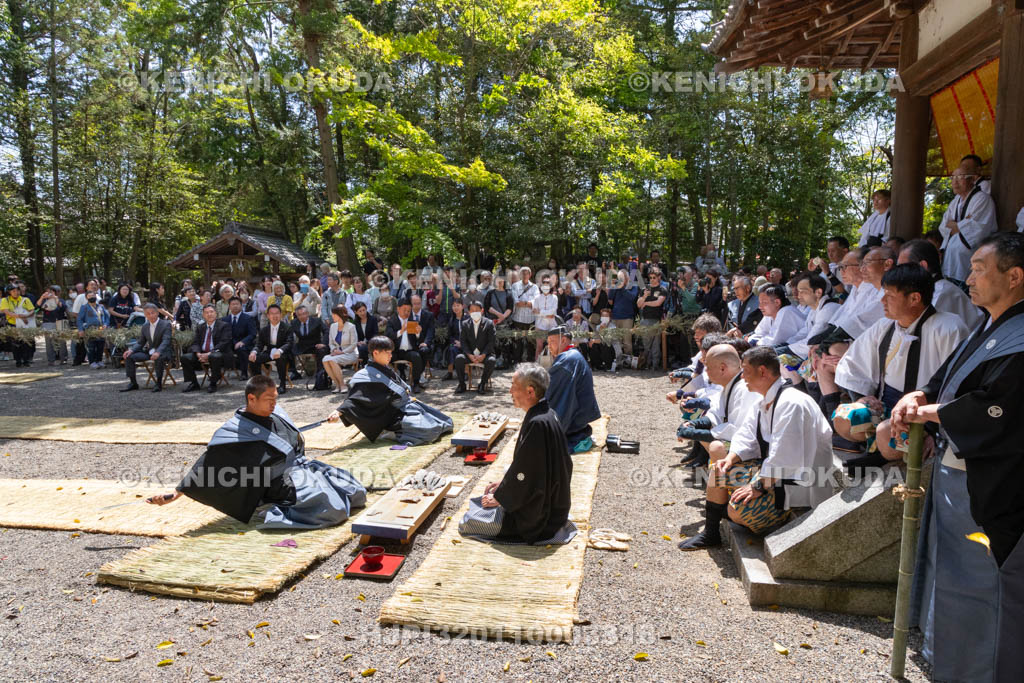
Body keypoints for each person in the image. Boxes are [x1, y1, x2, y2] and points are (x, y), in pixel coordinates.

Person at [894, 233, 1024, 682]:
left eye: (979, 268)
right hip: (954, 471)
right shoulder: (988, 323)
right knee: (950, 576)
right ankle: (947, 656)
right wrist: (919, 393)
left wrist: (928, 411)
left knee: (982, 584)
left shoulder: (1021, 335)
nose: (967, 278)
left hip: (993, 483)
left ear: (1015, 276)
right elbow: (948, 377)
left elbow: (996, 408)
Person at [149, 375, 367, 528]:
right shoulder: (234, 432)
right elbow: (208, 464)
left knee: (355, 491)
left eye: (275, 399)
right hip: (278, 484)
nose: (274, 404)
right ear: (251, 399)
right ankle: (274, 511)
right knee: (332, 510)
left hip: (303, 469)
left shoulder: (276, 413)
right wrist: (177, 493)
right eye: (269, 400)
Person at [679, 347, 839, 550]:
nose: (742, 376)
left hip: (800, 483)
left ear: (762, 371)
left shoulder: (792, 403)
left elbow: (785, 458)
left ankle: (781, 526)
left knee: (738, 511)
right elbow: (746, 436)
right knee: (719, 470)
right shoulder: (766, 399)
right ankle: (711, 533)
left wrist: (756, 486)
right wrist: (731, 459)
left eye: (745, 370)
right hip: (779, 474)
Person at [824, 265, 969, 467]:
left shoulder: (948, 327)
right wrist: (864, 397)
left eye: (889, 296)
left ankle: (884, 453)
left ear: (914, 298)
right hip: (887, 402)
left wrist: (931, 429)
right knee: (845, 416)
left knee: (886, 433)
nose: (882, 301)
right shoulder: (884, 326)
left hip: (922, 413)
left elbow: (958, 385)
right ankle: (879, 450)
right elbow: (854, 363)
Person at [458, 363, 576, 545]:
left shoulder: (538, 423)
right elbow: (529, 468)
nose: (510, 391)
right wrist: (504, 485)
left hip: (540, 520)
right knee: (480, 504)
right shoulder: (547, 413)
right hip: (553, 506)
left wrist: (500, 498)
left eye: (514, 386)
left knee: (468, 523)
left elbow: (526, 476)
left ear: (530, 392)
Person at [329, 336, 454, 445]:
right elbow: (355, 400)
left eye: (391, 352)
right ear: (376, 353)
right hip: (389, 417)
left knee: (445, 422)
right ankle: (389, 433)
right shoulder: (364, 376)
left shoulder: (385, 368)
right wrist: (339, 412)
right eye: (387, 352)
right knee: (430, 432)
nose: (390, 356)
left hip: (405, 408)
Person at [897, 238, 984, 329]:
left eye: (903, 268)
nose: (898, 273)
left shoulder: (942, 293)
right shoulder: (930, 289)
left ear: (922, 266)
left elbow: (923, 330)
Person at [939, 159, 997, 290]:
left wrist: (956, 226)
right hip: (951, 257)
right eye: (953, 177)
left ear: (972, 179)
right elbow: (943, 225)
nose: (955, 181)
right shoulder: (955, 201)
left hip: (968, 258)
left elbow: (979, 229)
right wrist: (962, 224)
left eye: (960, 177)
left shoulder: (982, 199)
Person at [544, 326, 601, 453]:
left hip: (575, 421)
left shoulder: (567, 360)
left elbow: (554, 395)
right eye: (548, 343)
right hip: (580, 420)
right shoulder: (572, 355)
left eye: (551, 342)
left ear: (563, 340)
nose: (549, 346)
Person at [180, 303, 234, 393]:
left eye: (211, 312)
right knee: (185, 358)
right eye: (206, 313)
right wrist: (198, 353)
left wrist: (209, 353)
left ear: (216, 313)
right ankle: (194, 383)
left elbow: (224, 343)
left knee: (214, 357)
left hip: (221, 353)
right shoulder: (201, 327)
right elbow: (196, 342)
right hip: (202, 353)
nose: (209, 314)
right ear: (203, 315)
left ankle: (213, 383)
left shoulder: (224, 325)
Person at [121, 303, 173, 392]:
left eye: (153, 313)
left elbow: (166, 341)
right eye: (148, 314)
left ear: (157, 313)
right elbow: (141, 342)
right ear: (145, 315)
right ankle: (133, 383)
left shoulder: (166, 324)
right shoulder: (145, 326)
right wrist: (131, 350)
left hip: (164, 352)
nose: (151, 315)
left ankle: (158, 383)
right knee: (129, 356)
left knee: (158, 358)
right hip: (150, 352)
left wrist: (158, 352)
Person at [248, 304, 293, 394]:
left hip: (283, 352)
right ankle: (258, 384)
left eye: (277, 313)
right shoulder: (264, 330)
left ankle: (282, 384)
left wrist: (279, 351)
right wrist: (254, 352)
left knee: (280, 358)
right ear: (268, 315)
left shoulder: (287, 327)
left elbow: (289, 343)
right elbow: (259, 344)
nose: (274, 316)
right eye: (272, 314)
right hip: (269, 352)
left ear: (281, 315)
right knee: (254, 358)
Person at [454, 300, 496, 395]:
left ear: (482, 310)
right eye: (472, 310)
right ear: (468, 312)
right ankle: (461, 384)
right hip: (470, 355)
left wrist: (483, 354)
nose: (475, 312)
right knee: (459, 358)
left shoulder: (489, 323)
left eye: (477, 310)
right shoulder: (465, 324)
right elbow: (463, 342)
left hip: (485, 354)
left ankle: (482, 384)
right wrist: (469, 355)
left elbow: (491, 342)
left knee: (492, 361)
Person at [385, 299, 427, 394]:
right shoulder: (392, 321)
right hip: (395, 351)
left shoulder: (413, 321)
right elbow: (388, 335)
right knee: (386, 357)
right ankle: (395, 380)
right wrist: (401, 331)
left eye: (408, 310)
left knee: (417, 356)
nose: (406, 313)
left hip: (409, 351)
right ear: (398, 309)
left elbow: (420, 340)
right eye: (404, 310)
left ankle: (416, 383)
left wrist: (418, 333)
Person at [322, 305, 358, 393]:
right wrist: (334, 350)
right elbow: (331, 343)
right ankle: (337, 384)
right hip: (336, 353)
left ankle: (342, 384)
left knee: (332, 360)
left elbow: (354, 344)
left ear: (340, 315)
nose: (332, 316)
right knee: (325, 359)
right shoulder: (333, 326)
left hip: (350, 353)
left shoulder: (351, 326)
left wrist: (341, 352)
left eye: (334, 315)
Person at [1, 283, 36, 367]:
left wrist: (26, 316)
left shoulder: (25, 299)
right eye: (13, 291)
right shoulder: (5, 300)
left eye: (17, 290)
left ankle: (26, 360)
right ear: (9, 292)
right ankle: (18, 360)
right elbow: (6, 311)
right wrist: (19, 316)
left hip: (24, 325)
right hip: (12, 324)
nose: (16, 292)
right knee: (15, 344)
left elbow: (32, 310)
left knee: (26, 343)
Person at [290, 305, 328, 380]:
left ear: (307, 313)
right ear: (296, 315)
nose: (302, 316)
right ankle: (294, 372)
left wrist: (323, 343)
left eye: (304, 313)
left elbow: (326, 331)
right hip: (302, 345)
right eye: (299, 315)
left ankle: (320, 373)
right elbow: (289, 335)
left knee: (322, 350)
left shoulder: (317, 320)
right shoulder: (293, 322)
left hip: (315, 344)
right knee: (288, 350)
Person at [608, 268, 638, 359]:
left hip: (627, 317)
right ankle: (618, 359)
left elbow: (632, 297)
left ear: (627, 278)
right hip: (616, 316)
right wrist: (614, 286)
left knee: (627, 341)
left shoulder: (633, 286)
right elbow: (610, 298)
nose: (620, 279)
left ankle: (628, 360)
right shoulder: (616, 286)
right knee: (617, 340)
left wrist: (622, 288)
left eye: (622, 277)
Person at [510, 266, 538, 362]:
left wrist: (525, 303)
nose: (525, 275)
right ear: (520, 275)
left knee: (531, 342)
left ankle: (530, 361)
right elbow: (516, 302)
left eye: (527, 273)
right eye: (523, 273)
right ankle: (517, 362)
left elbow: (536, 302)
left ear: (530, 275)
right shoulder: (514, 286)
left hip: (531, 319)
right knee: (517, 341)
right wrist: (528, 303)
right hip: (518, 319)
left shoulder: (535, 287)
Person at [225, 296, 258, 379]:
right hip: (230, 343)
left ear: (241, 305)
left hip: (245, 343)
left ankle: (244, 373)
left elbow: (253, 334)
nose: (235, 306)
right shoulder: (225, 320)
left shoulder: (248, 318)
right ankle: (217, 374)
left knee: (241, 349)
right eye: (233, 304)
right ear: (229, 306)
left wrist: (242, 342)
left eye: (237, 304)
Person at [76, 289, 109, 368]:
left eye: (93, 296)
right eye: (90, 296)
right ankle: (92, 361)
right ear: (86, 298)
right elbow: (79, 319)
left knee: (100, 345)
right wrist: (80, 329)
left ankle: (99, 360)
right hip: (90, 329)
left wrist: (106, 324)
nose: (92, 297)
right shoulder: (84, 307)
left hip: (101, 329)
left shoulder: (100, 307)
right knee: (91, 346)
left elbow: (107, 317)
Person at [36, 285, 68, 365]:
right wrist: (42, 297)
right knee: (49, 342)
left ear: (55, 292)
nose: (49, 293)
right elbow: (37, 306)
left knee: (62, 341)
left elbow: (63, 307)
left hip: (59, 322)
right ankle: (51, 360)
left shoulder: (60, 300)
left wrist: (55, 298)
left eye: (51, 292)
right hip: (48, 322)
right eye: (47, 292)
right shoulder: (44, 301)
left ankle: (63, 358)